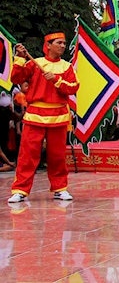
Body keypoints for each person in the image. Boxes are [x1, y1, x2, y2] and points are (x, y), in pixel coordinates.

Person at [7, 34, 79, 203]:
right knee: (28, 155)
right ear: (48, 45)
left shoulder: (67, 67)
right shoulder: (35, 63)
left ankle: (60, 188)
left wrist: (55, 79)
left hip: (58, 116)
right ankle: (20, 190)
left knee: (57, 155)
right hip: (35, 115)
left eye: (64, 43)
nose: (62, 46)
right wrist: (19, 58)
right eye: (59, 43)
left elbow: (73, 87)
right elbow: (16, 78)